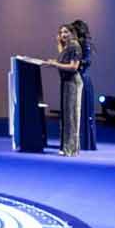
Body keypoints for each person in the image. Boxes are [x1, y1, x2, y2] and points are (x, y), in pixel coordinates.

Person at [48, 22, 97, 157]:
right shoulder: (67, 46)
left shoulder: (75, 45)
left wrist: (54, 64)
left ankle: (72, 149)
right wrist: (56, 58)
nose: (63, 35)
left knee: (72, 116)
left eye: (66, 32)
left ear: (72, 33)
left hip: (73, 82)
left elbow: (74, 67)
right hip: (66, 81)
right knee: (66, 116)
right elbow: (62, 60)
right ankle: (66, 146)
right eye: (61, 32)